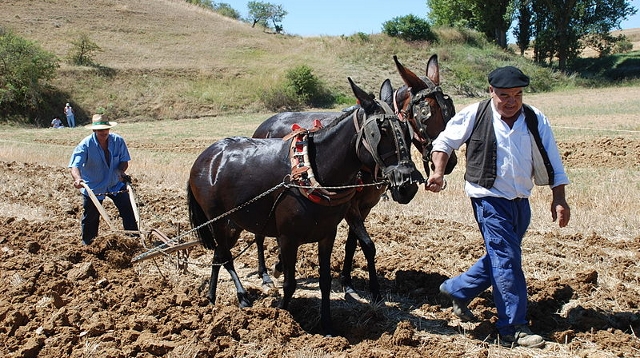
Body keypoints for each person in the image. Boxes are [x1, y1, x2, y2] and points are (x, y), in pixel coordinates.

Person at [426, 66, 571, 348]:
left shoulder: (534, 118)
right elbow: (444, 142)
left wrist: (559, 197)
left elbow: (553, 160)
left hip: (520, 200)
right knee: (507, 260)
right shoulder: (475, 114)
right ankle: (512, 327)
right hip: (487, 198)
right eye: (504, 95)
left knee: (502, 254)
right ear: (491, 91)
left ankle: (457, 289)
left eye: (517, 94)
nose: (511, 101)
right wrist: (438, 172)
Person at [68, 114, 138, 245]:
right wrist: (78, 179)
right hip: (94, 186)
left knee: (128, 209)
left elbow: (124, 161)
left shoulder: (118, 141)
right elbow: (75, 165)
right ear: (94, 130)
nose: (104, 132)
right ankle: (88, 245)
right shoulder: (85, 145)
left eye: (106, 129)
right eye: (100, 130)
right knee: (91, 217)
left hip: (115, 183)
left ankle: (133, 240)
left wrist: (121, 171)